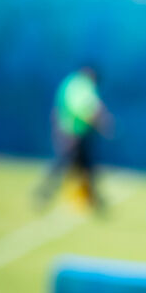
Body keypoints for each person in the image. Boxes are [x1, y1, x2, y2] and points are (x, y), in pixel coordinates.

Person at [33, 65, 112, 211]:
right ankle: (43, 194)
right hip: (74, 134)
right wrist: (103, 123)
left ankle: (95, 201)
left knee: (85, 168)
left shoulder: (70, 83)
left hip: (71, 132)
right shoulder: (82, 86)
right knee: (64, 166)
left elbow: (59, 108)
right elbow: (88, 109)